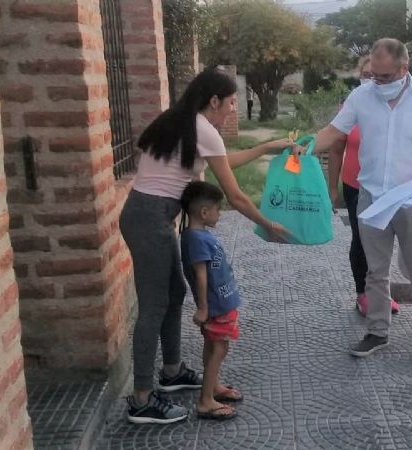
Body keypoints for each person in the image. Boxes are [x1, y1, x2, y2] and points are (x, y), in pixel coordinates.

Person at [119, 66, 291, 424]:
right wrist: (268, 224)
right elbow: (235, 195)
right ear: (214, 100)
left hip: (145, 213)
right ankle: (141, 399)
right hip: (150, 219)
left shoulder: (180, 120)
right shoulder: (202, 129)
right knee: (153, 306)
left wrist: (265, 147)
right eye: (230, 102)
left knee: (174, 293)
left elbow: (220, 163)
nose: (232, 109)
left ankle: (171, 372)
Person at [309, 38, 412, 364]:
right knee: (375, 271)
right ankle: (377, 330)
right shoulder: (361, 96)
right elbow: (333, 132)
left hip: (410, 197)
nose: (379, 82)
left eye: (385, 76)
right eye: (374, 75)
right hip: (371, 196)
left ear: (404, 68)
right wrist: (304, 147)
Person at [328, 55, 399, 316]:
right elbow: (336, 149)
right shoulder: (353, 106)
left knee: (384, 242)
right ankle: (363, 294)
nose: (371, 79)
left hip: (387, 187)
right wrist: (332, 189)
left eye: (377, 75)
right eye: (366, 75)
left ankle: (381, 292)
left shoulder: (392, 106)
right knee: (361, 240)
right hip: (355, 186)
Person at [180, 181, 242, 421]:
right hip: (216, 307)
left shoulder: (199, 236)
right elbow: (200, 275)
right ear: (204, 212)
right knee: (219, 348)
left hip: (220, 303)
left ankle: (213, 387)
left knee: (212, 345)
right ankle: (206, 401)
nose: (220, 213)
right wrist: (203, 308)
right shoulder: (196, 239)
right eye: (218, 209)